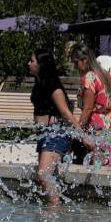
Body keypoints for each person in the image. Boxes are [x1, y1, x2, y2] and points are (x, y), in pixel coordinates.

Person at [29, 50, 81, 206]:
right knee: (45, 179)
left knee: (44, 175)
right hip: (45, 135)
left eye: (32, 61)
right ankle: (53, 210)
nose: (29, 63)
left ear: (41, 64)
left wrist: (83, 136)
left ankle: (55, 215)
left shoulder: (53, 86)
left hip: (56, 134)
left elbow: (66, 113)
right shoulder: (40, 82)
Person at [71, 44, 111, 168]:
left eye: (76, 62)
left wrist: (78, 131)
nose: (74, 66)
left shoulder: (89, 78)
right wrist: (108, 100)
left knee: (97, 170)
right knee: (110, 167)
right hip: (109, 124)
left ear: (85, 60)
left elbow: (87, 109)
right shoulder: (103, 74)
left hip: (96, 127)